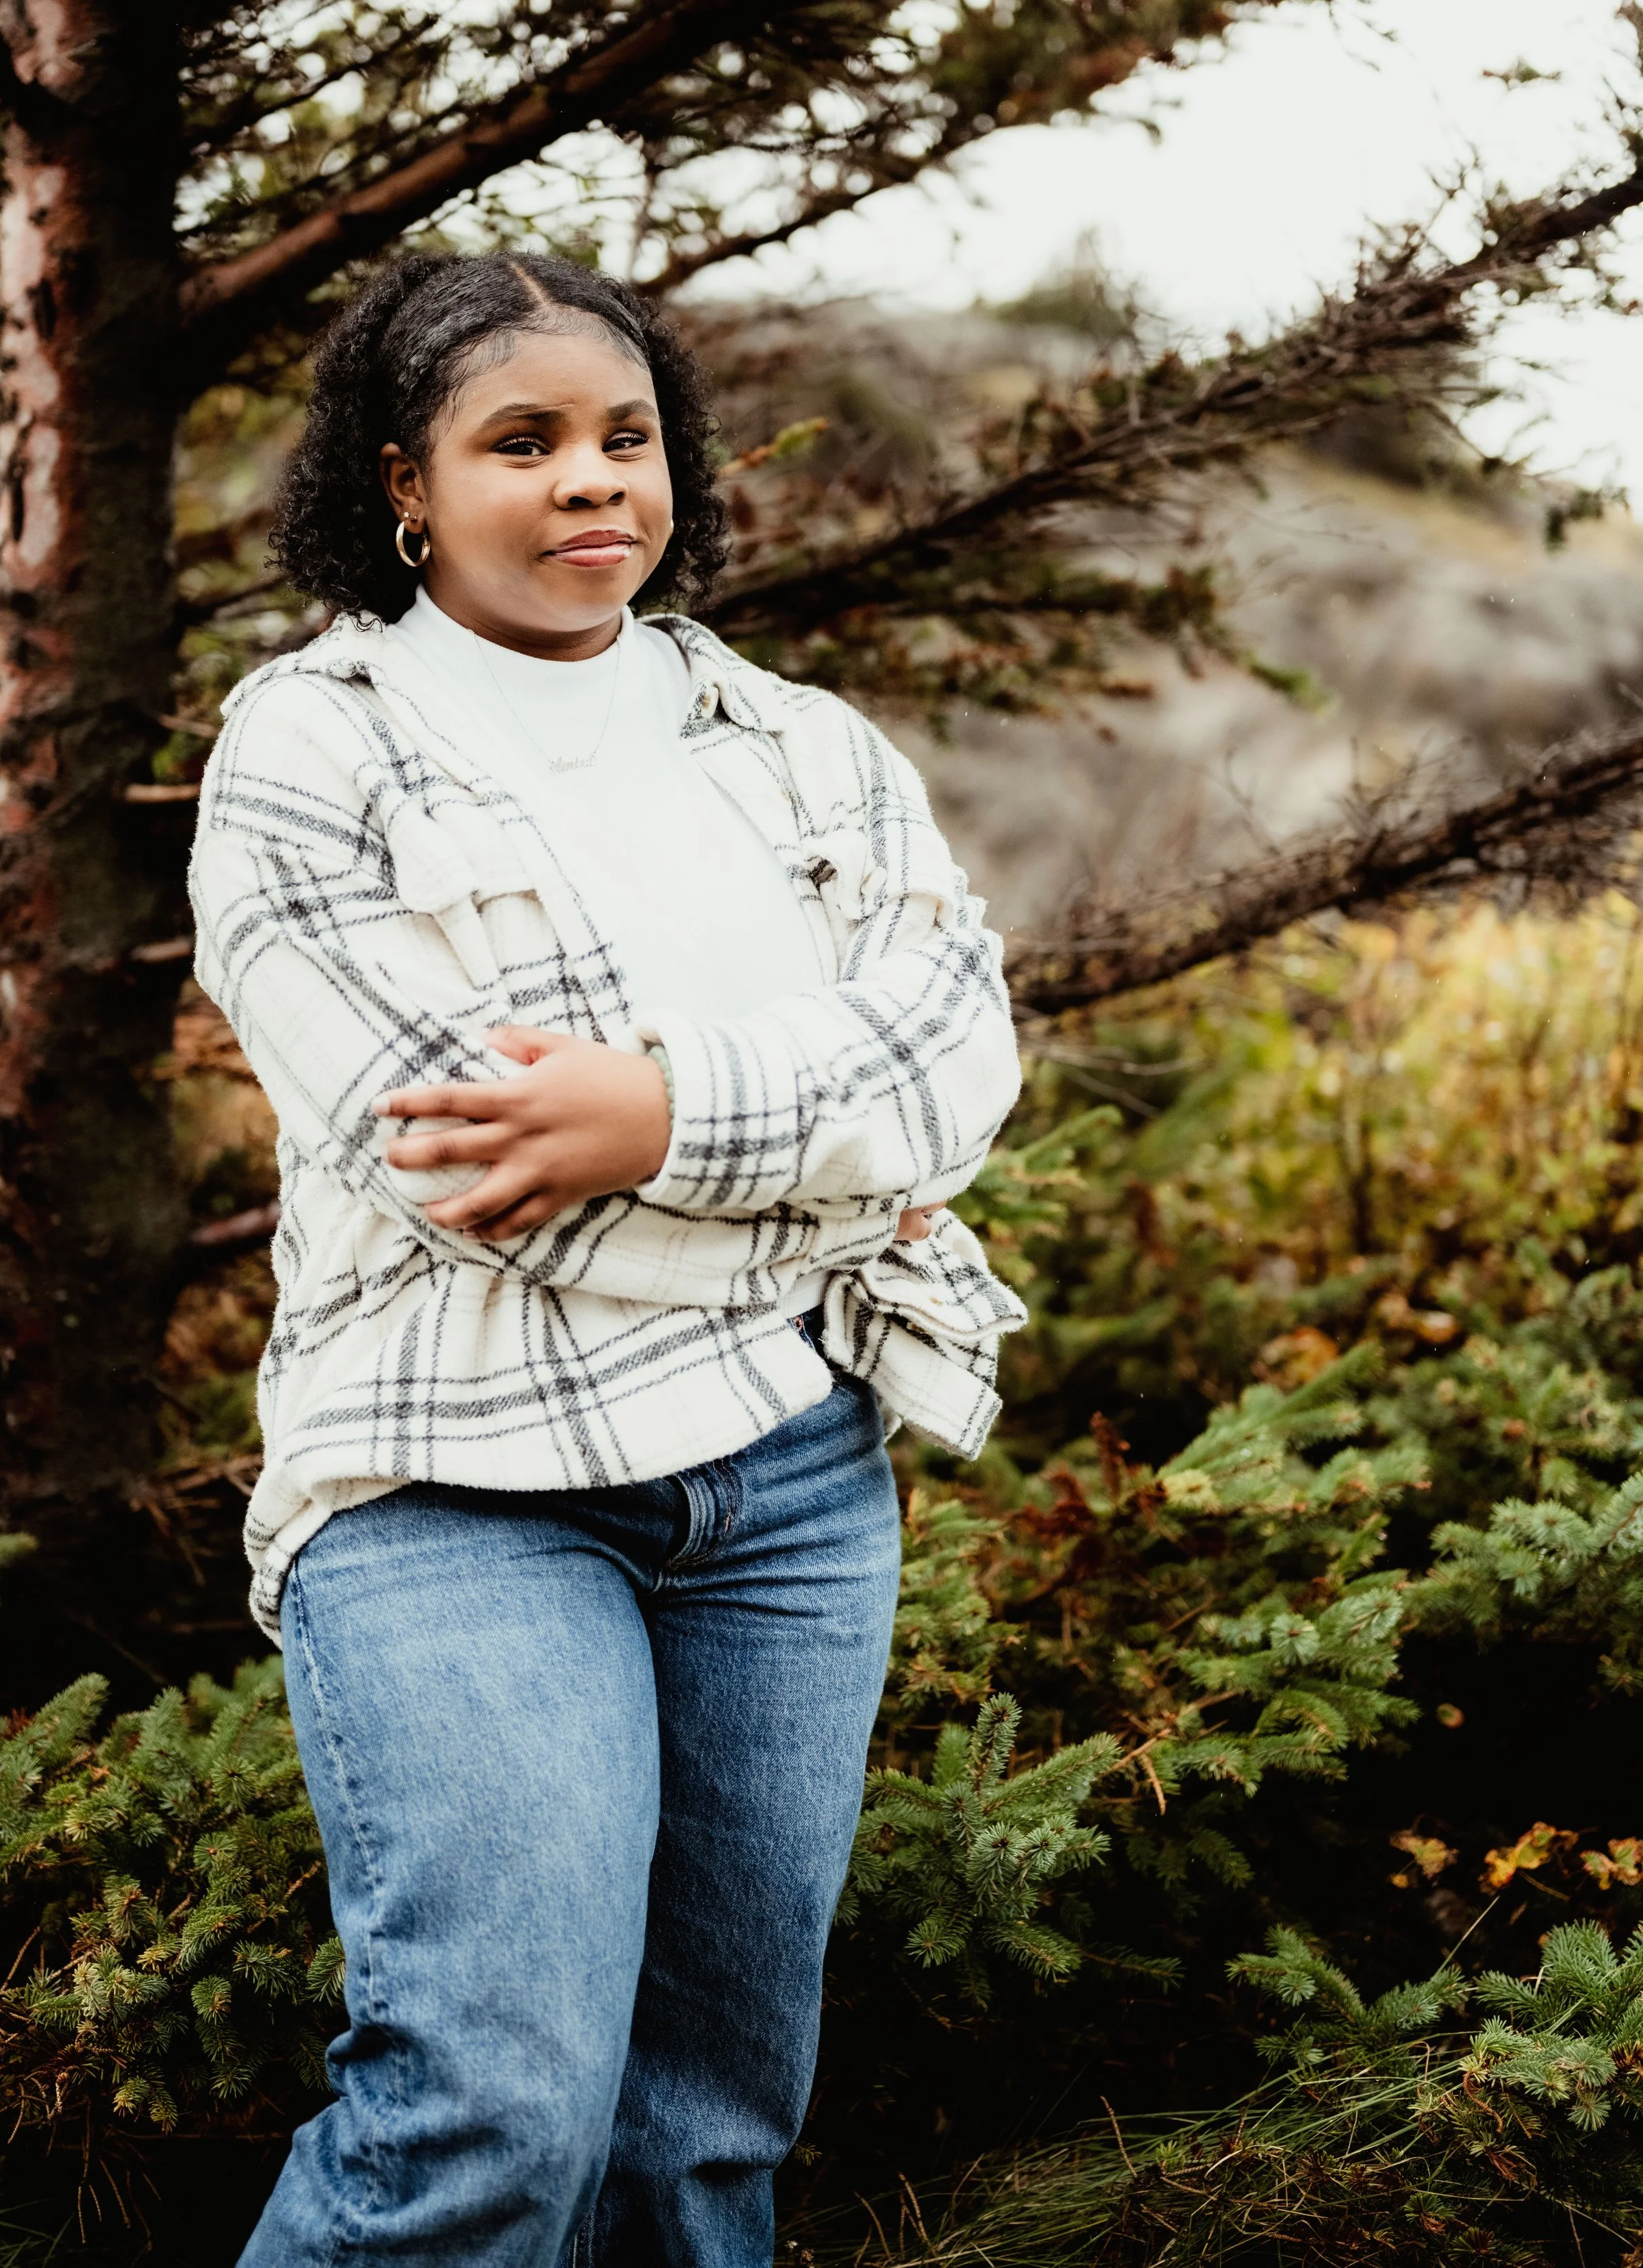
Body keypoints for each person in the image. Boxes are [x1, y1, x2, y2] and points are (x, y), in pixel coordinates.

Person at [190, 252, 1025, 2267]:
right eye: (523, 442)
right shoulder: (312, 748)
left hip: (796, 1479)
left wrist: (649, 1116)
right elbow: (456, 1165)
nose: (593, 485)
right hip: (455, 1485)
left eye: (626, 438)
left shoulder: (798, 743)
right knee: (488, 2116)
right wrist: (818, 1161)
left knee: (701, 2134)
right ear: (404, 481)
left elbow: (962, 1046)